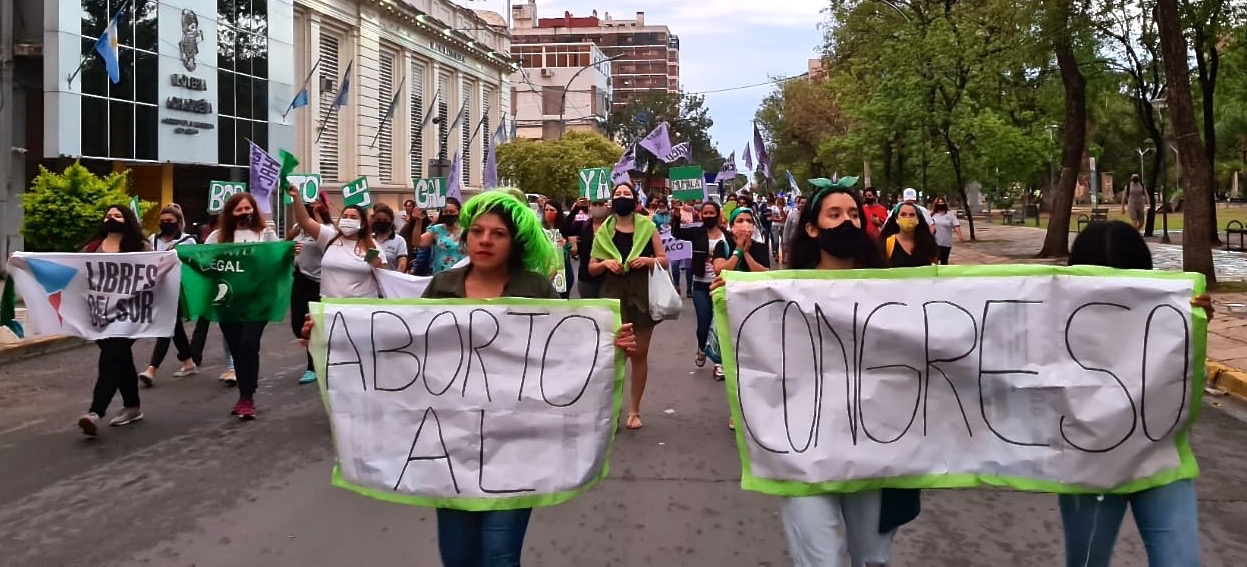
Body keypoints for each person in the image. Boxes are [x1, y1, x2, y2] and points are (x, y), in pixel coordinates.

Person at [300, 191, 638, 566]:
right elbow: (406, 346)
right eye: (477, 231)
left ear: (515, 242)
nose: (485, 240)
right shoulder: (443, 285)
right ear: (466, 238)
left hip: (517, 447)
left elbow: (566, 353)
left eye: (498, 233)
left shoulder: (536, 289)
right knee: (457, 558)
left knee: (500, 557)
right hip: (451, 448)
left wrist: (610, 345)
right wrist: (329, 336)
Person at [743, 185, 909, 567]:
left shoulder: (897, 291)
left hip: (874, 447)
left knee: (873, 559)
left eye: (853, 214)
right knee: (820, 561)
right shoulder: (783, 294)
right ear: (813, 229)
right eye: (834, 214)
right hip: (806, 449)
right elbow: (756, 352)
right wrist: (730, 300)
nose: (847, 221)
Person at [1059, 220, 1211, 567]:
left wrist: (1196, 325)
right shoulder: (1052, 322)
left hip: (1159, 463)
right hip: (1090, 472)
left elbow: (1185, 383)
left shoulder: (1167, 315)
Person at [588, 182, 668, 430]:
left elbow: (664, 261)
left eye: (627, 194)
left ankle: (634, 410)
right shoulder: (603, 232)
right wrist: (604, 265)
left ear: (635, 200)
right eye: (618, 194)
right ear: (613, 200)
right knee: (614, 356)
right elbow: (591, 267)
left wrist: (648, 260)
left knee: (638, 354)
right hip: (613, 297)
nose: (622, 197)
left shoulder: (648, 227)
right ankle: (611, 411)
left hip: (642, 296)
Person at [75, 206, 154, 436]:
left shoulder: (139, 247)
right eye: (108, 215)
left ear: (127, 220)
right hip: (99, 315)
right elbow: (72, 271)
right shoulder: (91, 248)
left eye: (118, 215)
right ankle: (132, 407)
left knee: (111, 357)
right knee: (121, 359)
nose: (112, 218)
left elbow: (156, 271)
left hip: (130, 315)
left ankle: (95, 412)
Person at [204, 193, 280, 419]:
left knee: (248, 344)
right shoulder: (218, 237)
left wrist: (289, 253)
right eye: (239, 210)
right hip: (228, 301)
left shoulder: (265, 234)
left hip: (258, 301)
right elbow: (203, 259)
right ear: (230, 214)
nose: (244, 213)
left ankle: (248, 396)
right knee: (237, 348)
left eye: (248, 208)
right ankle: (244, 394)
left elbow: (277, 258)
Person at [138, 204, 205, 386]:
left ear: (178, 222)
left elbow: (195, 265)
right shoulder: (153, 240)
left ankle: (152, 369)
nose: (166, 224)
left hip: (179, 290)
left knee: (166, 326)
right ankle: (188, 362)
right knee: (174, 328)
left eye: (170, 221)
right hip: (159, 289)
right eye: (163, 221)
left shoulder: (188, 241)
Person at [287, 188, 386, 300]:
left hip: (359, 308)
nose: (348, 219)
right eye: (344, 216)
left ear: (362, 223)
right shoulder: (330, 237)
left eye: (353, 217)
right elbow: (305, 221)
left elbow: (379, 275)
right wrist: (296, 197)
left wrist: (378, 265)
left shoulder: (370, 246)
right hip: (329, 306)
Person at [670, 201, 728, 378]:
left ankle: (719, 362)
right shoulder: (697, 233)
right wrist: (677, 215)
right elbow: (676, 232)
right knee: (704, 323)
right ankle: (702, 347)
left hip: (721, 285)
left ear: (718, 215)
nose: (709, 216)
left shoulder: (728, 236)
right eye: (706, 213)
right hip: (701, 285)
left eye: (712, 213)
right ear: (701, 215)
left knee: (720, 326)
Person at [287, 200, 333, 385]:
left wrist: (319, 214)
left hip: (319, 283)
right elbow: (286, 251)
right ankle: (319, 355)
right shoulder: (297, 229)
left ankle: (313, 366)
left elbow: (328, 246)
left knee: (313, 324)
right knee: (297, 323)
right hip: (299, 279)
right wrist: (289, 239)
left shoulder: (326, 229)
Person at [569, 200, 609, 299]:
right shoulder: (582, 225)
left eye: (601, 204)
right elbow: (565, 229)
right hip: (586, 278)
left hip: (608, 279)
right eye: (594, 204)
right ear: (589, 207)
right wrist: (576, 209)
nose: (598, 207)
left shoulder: (614, 225)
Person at [880, 202, 940, 267]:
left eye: (912, 215)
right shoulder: (886, 243)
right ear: (896, 219)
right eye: (903, 214)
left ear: (918, 219)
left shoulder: (928, 243)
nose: (907, 217)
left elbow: (935, 270)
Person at [418, 198, 465, 274]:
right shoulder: (436, 229)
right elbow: (418, 242)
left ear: (459, 212)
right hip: (441, 275)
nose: (448, 214)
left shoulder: (467, 230)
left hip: (463, 275)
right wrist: (418, 221)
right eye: (445, 212)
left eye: (452, 212)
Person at [371, 203, 409, 273]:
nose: (381, 222)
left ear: (391, 221)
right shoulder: (369, 239)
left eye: (385, 220)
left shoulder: (399, 240)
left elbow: (402, 263)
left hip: (390, 281)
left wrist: (397, 277)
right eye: (378, 220)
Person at [929, 197, 964, 265]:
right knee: (935, 259)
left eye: (942, 202)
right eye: (939, 202)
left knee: (944, 260)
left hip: (946, 242)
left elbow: (956, 225)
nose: (940, 204)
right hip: (935, 242)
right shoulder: (932, 215)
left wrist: (960, 236)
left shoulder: (950, 215)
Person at [782, 195, 808, 266]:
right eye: (802, 203)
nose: (803, 205)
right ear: (799, 203)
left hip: (806, 243)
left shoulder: (810, 215)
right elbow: (787, 229)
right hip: (793, 242)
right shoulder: (792, 214)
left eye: (805, 203)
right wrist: (785, 242)